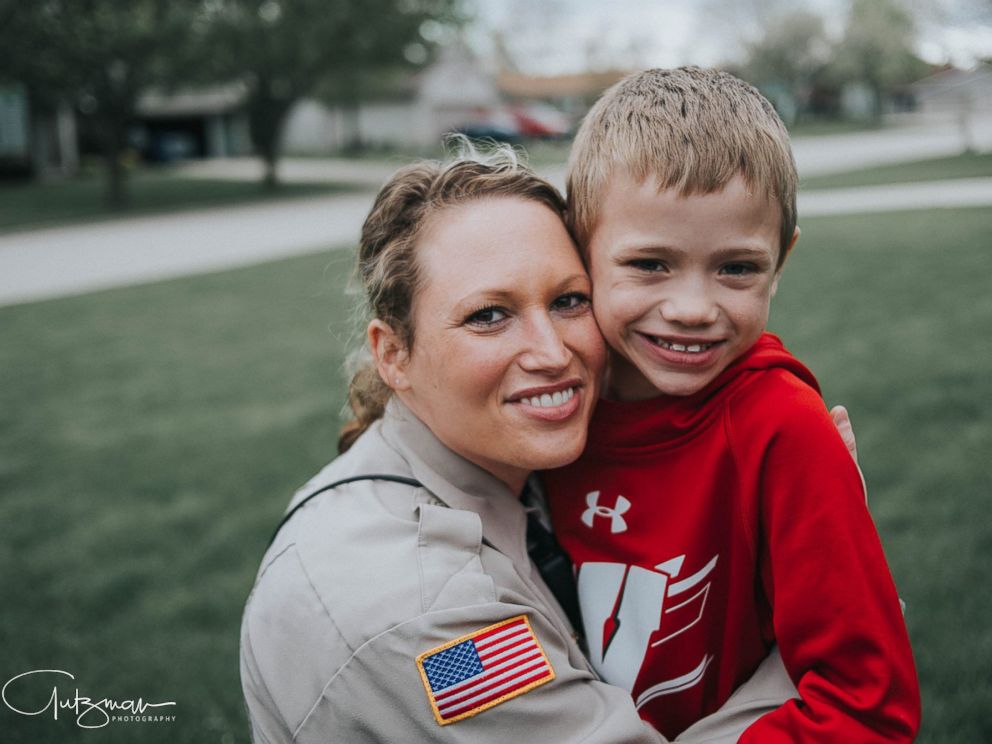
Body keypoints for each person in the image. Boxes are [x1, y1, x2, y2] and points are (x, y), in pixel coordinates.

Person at [239, 149, 817, 743]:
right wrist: (824, 612)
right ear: (393, 354)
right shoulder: (436, 626)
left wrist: (784, 496)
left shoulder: (507, 468)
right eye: (489, 315)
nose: (551, 353)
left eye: (569, 300)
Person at [542, 67, 921, 741]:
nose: (692, 309)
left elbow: (867, 701)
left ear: (782, 260)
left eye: (737, 268)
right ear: (581, 248)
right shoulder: (543, 405)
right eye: (650, 265)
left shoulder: (782, 427)